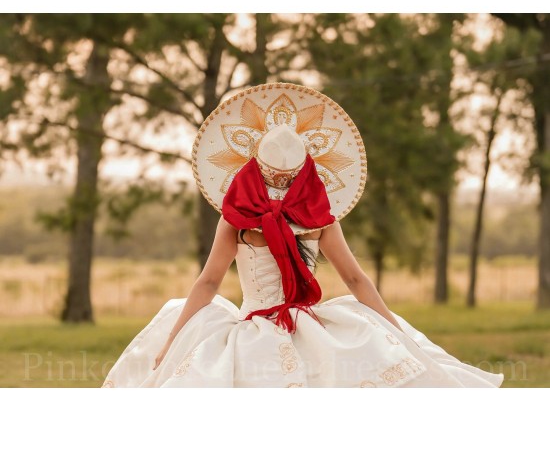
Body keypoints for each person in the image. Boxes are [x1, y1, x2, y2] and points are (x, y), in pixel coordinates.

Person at [102, 82, 504, 388]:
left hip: (252, 323)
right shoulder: (317, 217)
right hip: (308, 324)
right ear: (308, 172)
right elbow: (355, 279)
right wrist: (394, 329)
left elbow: (208, 282)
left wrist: (173, 340)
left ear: (251, 168)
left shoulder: (238, 219)